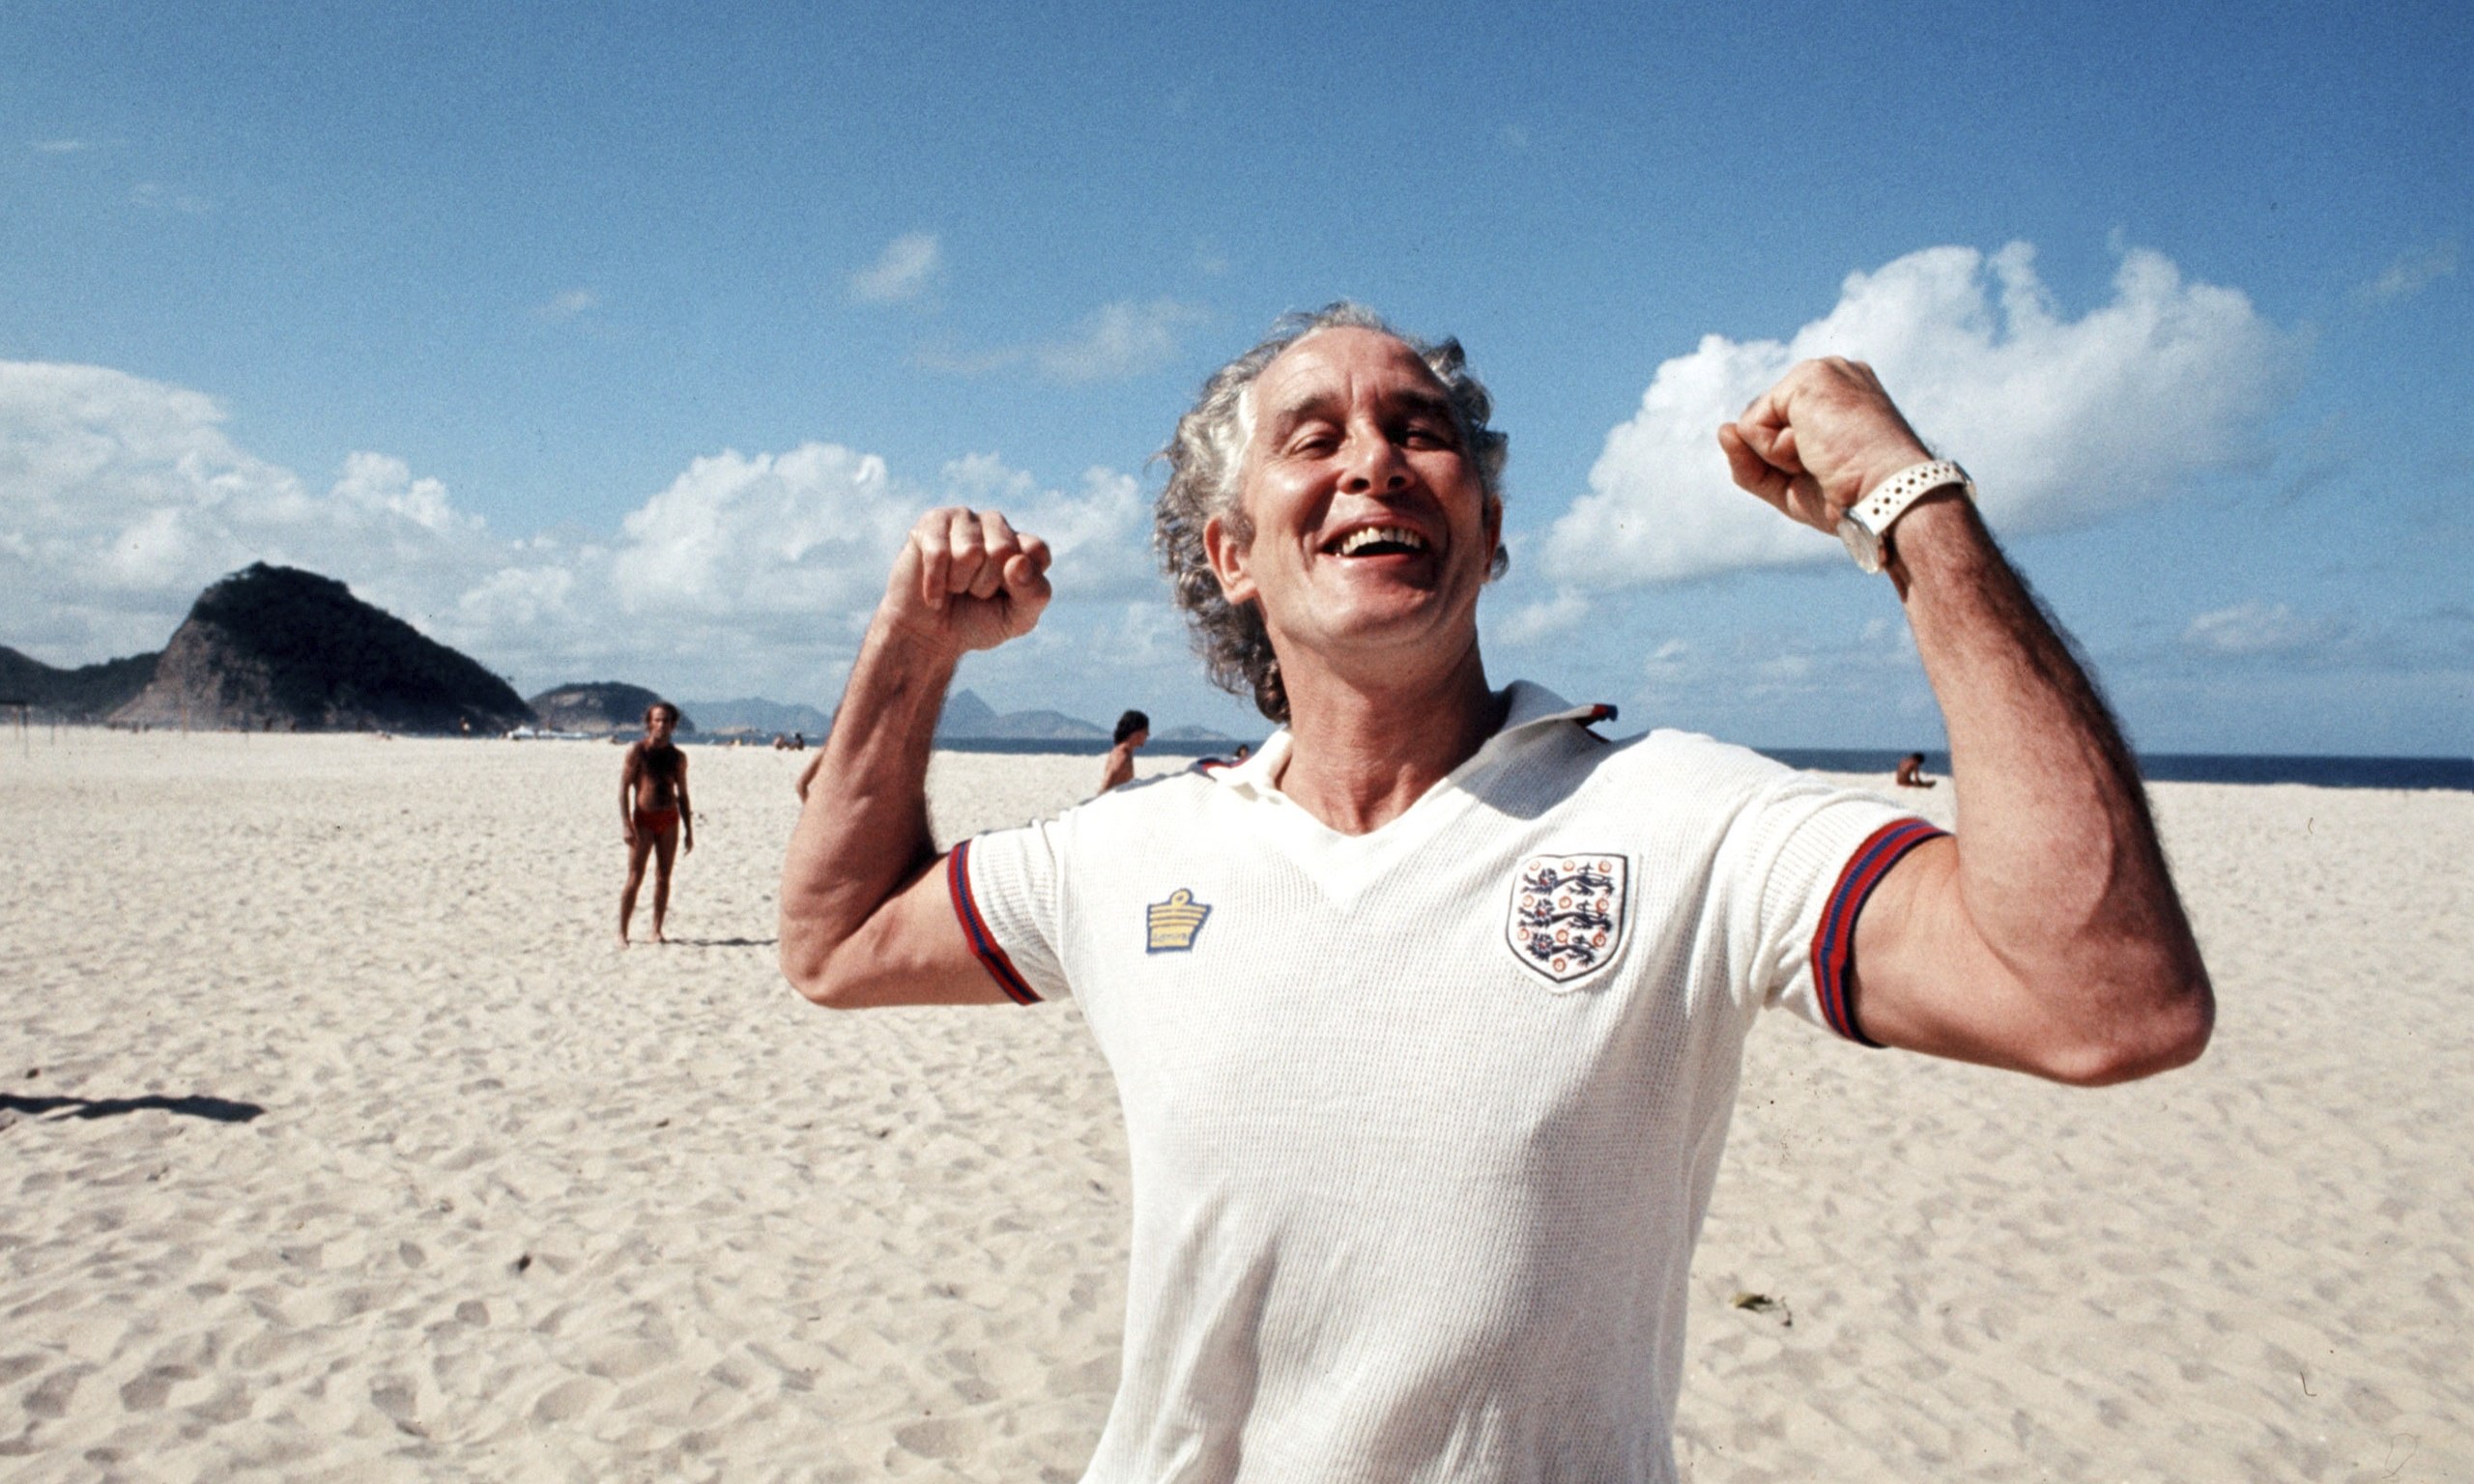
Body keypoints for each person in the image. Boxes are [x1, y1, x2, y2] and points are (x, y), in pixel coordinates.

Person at [779, 304, 2213, 1481]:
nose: (1377, 462)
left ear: (1491, 526)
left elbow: (2104, 998)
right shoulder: (1136, 849)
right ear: (1232, 556)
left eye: (1423, 432)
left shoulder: (1683, 819)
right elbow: (837, 941)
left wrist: (1913, 506)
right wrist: (914, 643)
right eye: (1314, 438)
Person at [619, 701, 693, 944]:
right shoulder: (638, 751)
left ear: (673, 724)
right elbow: (623, 789)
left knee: (663, 877)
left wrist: (689, 830)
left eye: (666, 720)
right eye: (657, 720)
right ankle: (622, 931)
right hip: (643, 820)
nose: (662, 724)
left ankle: (656, 929)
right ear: (650, 723)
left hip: (669, 819)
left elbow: (683, 794)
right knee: (635, 877)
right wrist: (626, 824)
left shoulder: (677, 757)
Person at [1096, 709, 1149, 794]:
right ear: (1136, 733)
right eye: (1146, 730)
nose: (1148, 734)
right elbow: (1105, 787)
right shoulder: (1121, 756)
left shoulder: (1126, 752)